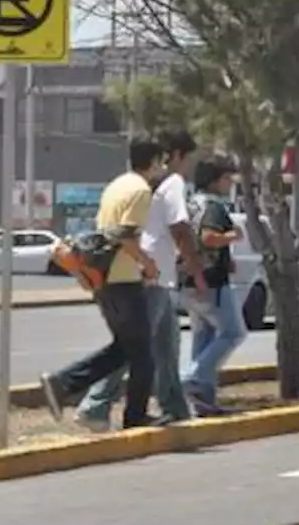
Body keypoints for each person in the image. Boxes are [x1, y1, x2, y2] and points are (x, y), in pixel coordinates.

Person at [73, 130, 209, 432]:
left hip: (156, 276)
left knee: (166, 347)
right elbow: (180, 227)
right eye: (189, 159)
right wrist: (195, 267)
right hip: (151, 276)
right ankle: (94, 404)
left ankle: (174, 408)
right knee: (136, 349)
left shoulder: (148, 186)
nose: (190, 166)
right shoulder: (171, 184)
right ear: (173, 157)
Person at [40, 135, 165, 430]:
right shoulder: (140, 191)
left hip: (104, 279)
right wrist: (148, 265)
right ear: (156, 161)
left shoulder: (116, 186)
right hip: (123, 280)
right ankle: (135, 417)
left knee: (126, 349)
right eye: (162, 162)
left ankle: (62, 384)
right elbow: (125, 235)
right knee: (143, 355)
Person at [181, 155, 246, 416]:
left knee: (204, 336)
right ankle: (192, 378)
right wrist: (233, 236)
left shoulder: (189, 204)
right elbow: (208, 237)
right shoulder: (213, 206)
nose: (230, 184)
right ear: (215, 180)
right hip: (211, 282)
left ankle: (202, 402)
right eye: (227, 179)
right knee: (233, 332)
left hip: (188, 280)